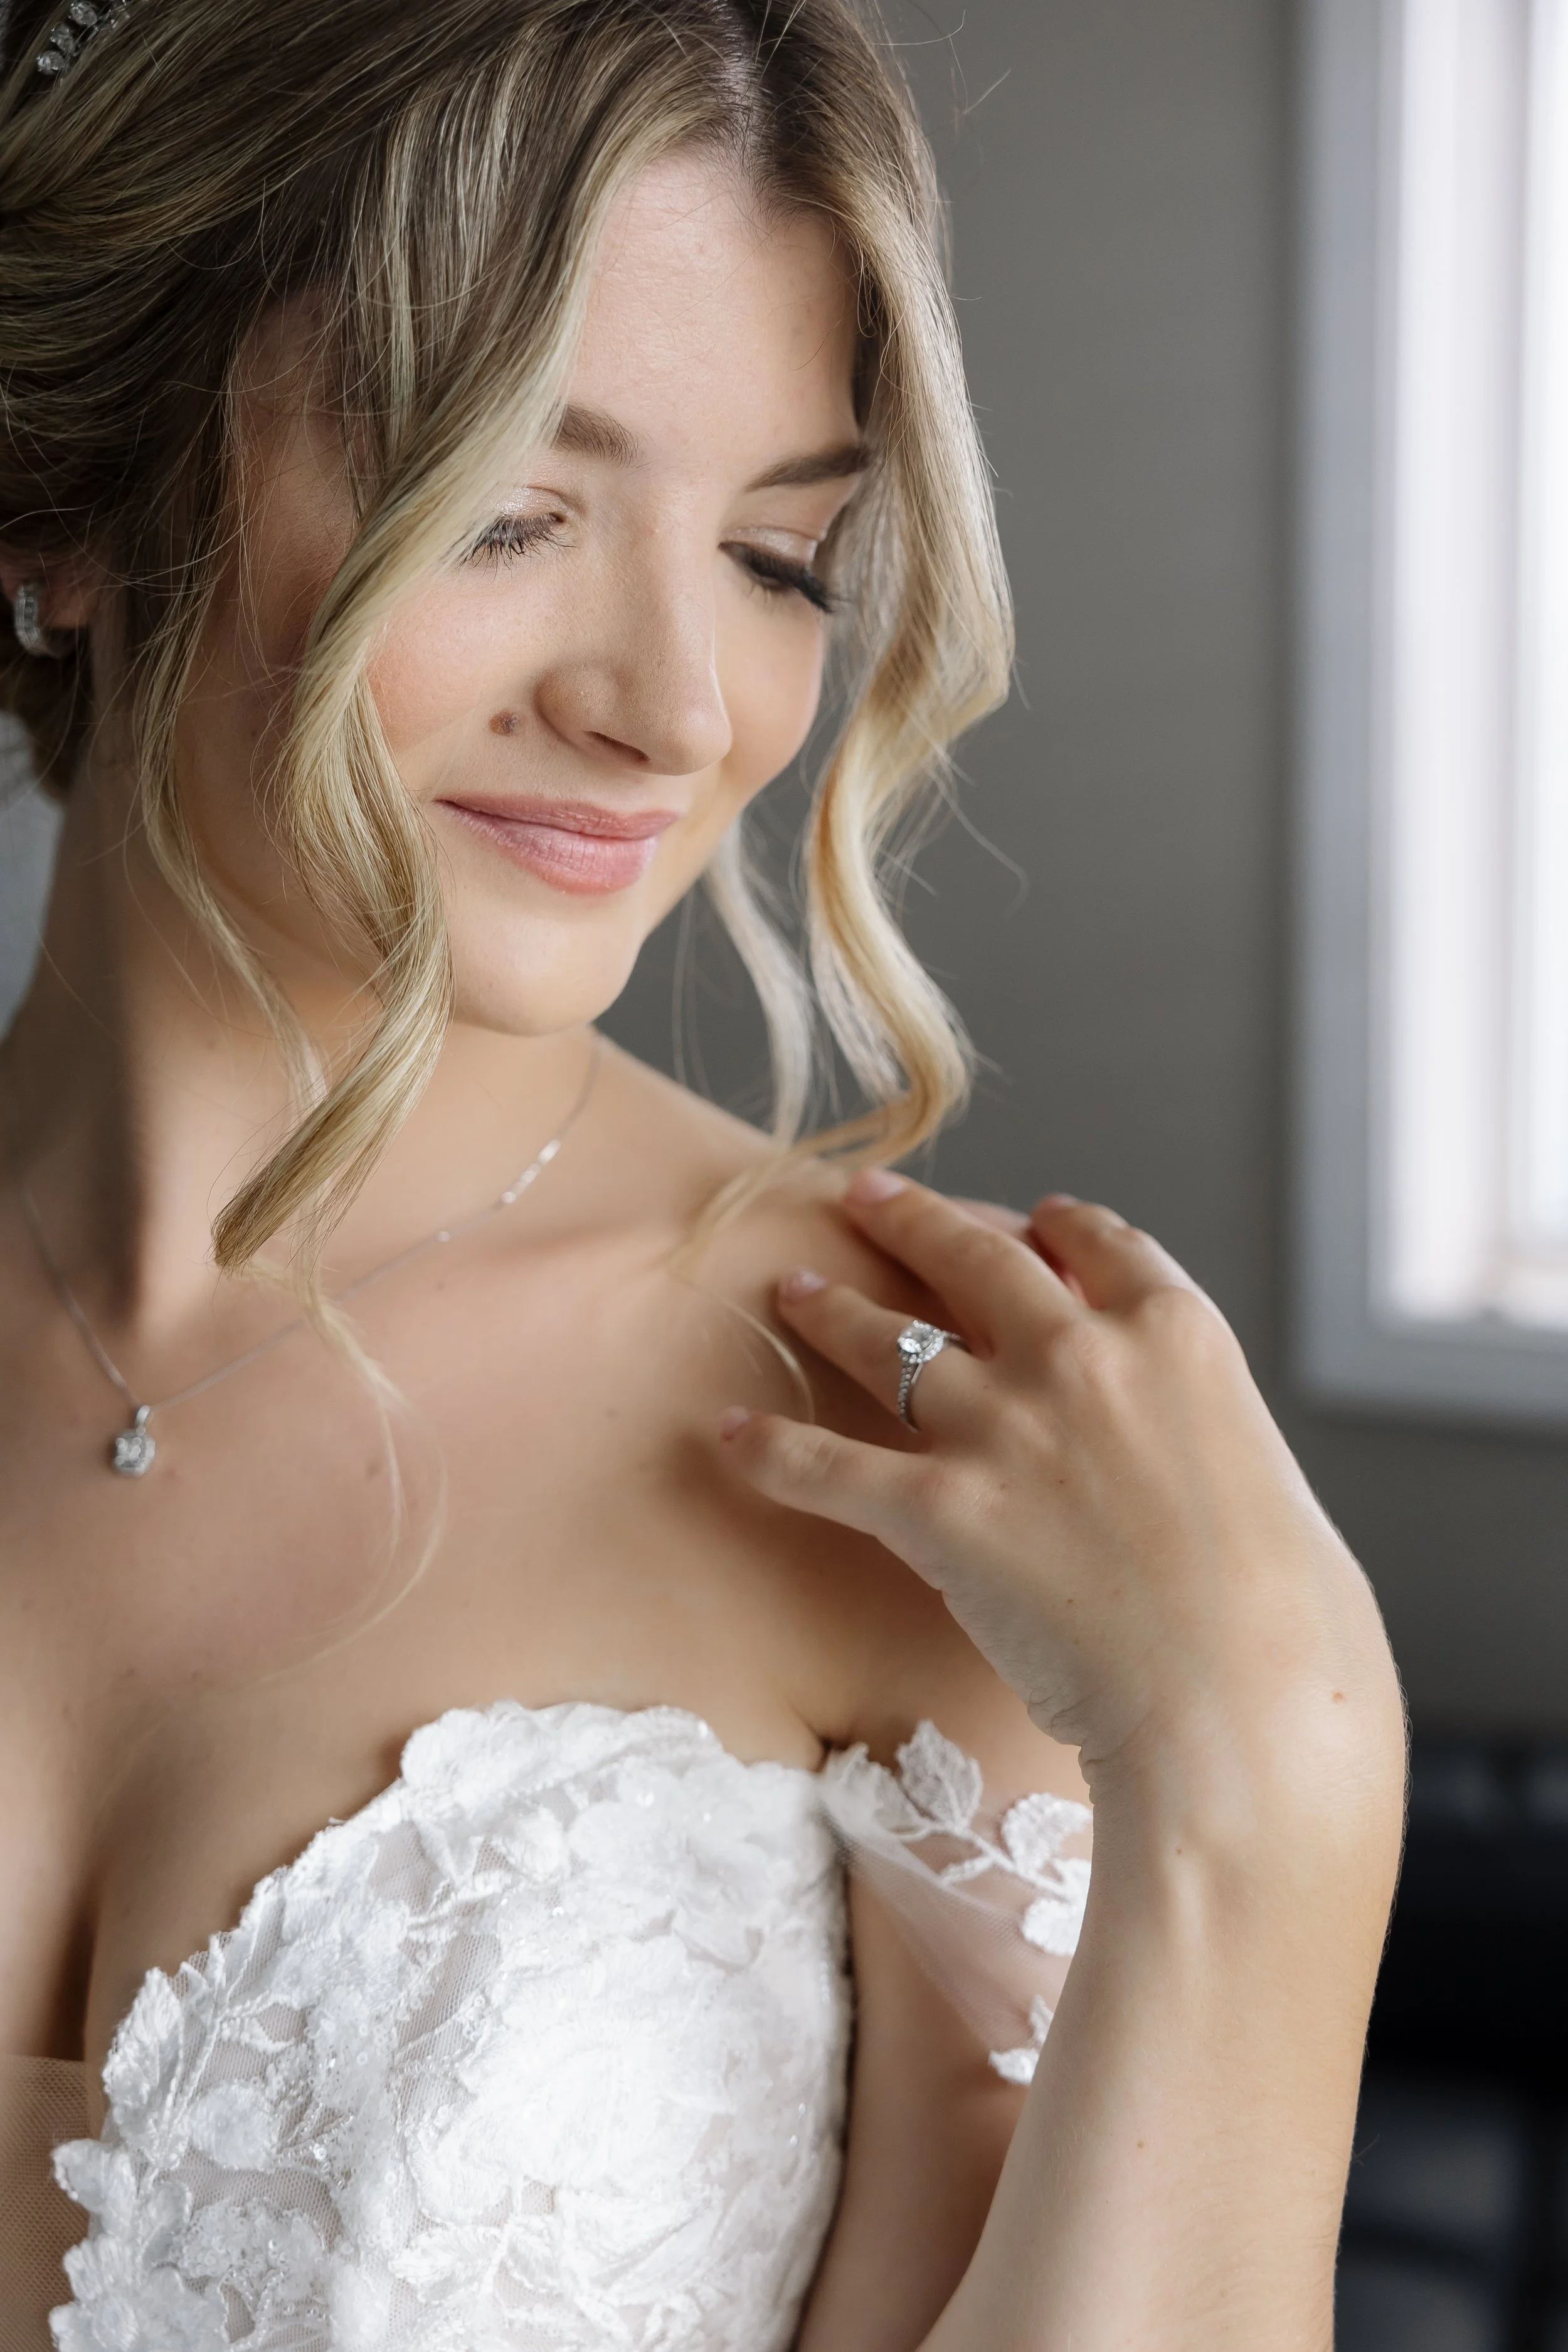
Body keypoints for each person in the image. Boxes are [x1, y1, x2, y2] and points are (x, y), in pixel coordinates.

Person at [0, 0, 1405, 2344]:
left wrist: (1272, 1761)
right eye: (513, 509)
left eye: (777, 551)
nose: (670, 703)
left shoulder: (907, 1455)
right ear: (54, 495)